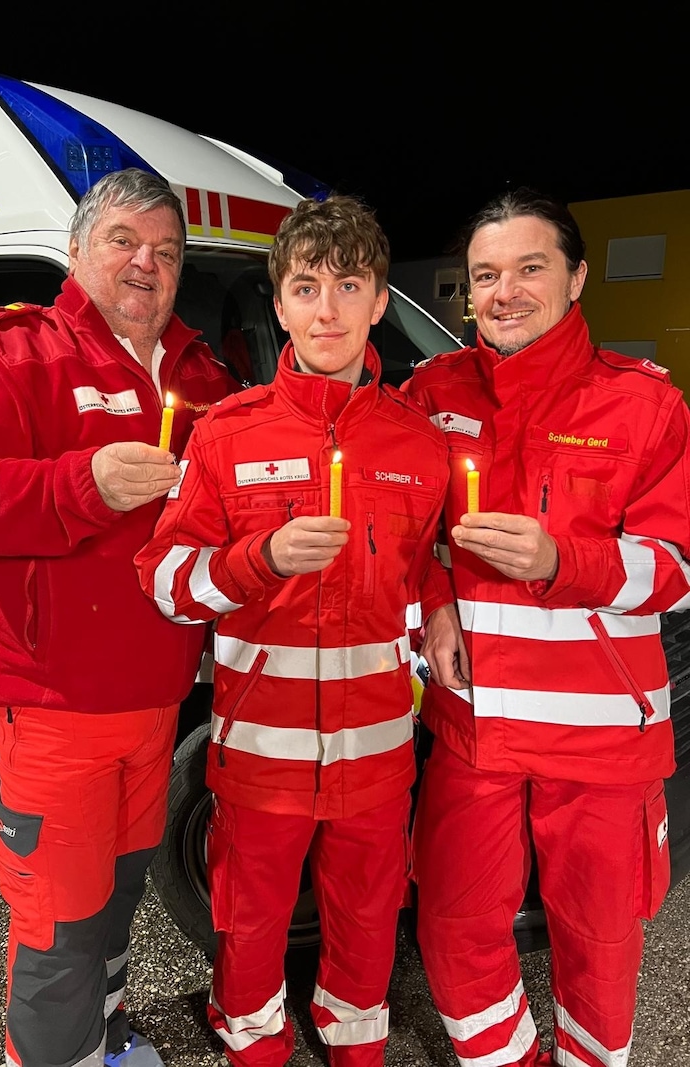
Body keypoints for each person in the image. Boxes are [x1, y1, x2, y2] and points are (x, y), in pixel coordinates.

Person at [0, 167, 240, 1067]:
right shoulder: (12, 352)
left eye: (166, 252)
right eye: (125, 240)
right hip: (46, 702)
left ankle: (108, 1040)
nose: (146, 263)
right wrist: (78, 483)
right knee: (59, 926)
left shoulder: (206, 374)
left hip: (157, 697)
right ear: (79, 251)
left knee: (118, 897)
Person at [135, 194, 450, 1066]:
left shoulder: (419, 444)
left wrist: (443, 603)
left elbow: (424, 572)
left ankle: (355, 1048)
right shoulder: (226, 435)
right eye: (306, 286)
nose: (327, 309)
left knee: (365, 917)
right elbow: (165, 582)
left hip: (379, 755)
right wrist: (258, 558)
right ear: (277, 304)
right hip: (260, 754)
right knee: (250, 916)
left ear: (381, 300)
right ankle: (254, 1043)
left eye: (349, 285)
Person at [402, 187, 690, 1067]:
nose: (505, 290)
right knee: (452, 929)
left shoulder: (646, 406)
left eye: (530, 268)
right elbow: (400, 529)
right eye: (486, 274)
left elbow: (679, 569)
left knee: (599, 944)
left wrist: (566, 562)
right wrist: (435, 600)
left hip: (602, 741)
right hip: (473, 728)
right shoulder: (430, 392)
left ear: (576, 278)